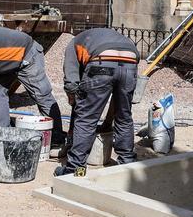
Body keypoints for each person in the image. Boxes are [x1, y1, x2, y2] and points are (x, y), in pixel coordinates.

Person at [53, 27, 139, 177]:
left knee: (86, 120)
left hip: (101, 63)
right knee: (124, 116)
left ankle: (75, 171)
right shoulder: (108, 36)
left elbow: (71, 80)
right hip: (130, 62)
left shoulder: (73, 43)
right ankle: (126, 165)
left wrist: (74, 99)